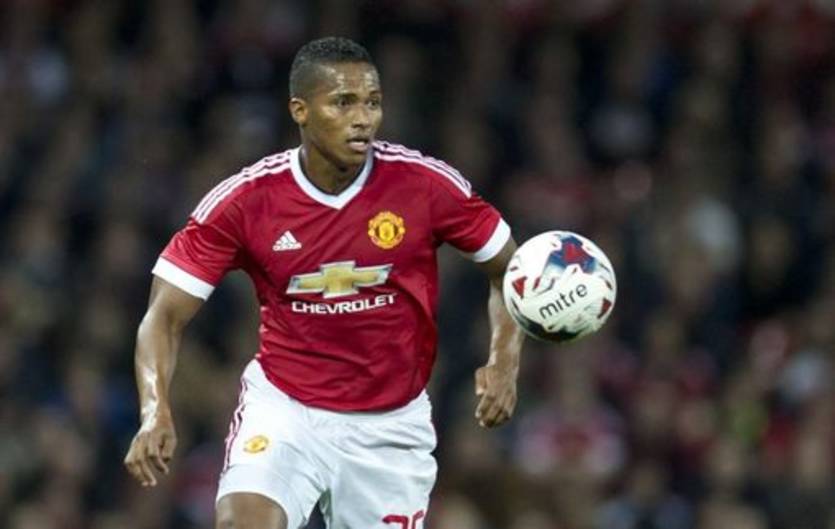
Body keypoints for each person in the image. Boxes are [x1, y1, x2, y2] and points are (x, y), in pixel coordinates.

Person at [123, 36, 524, 529]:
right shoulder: (248, 200)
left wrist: (504, 361)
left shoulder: (424, 185)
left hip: (390, 426)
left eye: (372, 103)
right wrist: (155, 410)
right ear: (301, 110)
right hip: (287, 409)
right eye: (344, 102)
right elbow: (162, 316)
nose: (363, 119)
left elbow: (509, 268)